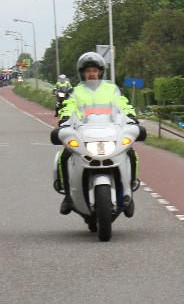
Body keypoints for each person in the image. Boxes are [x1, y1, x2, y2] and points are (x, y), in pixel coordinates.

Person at [54, 52, 139, 216]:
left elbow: (123, 105)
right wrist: (64, 120)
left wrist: (131, 117)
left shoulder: (112, 90)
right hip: (84, 133)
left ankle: (129, 193)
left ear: (100, 72)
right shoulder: (75, 92)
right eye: (88, 71)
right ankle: (68, 197)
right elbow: (68, 107)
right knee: (65, 156)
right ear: (82, 73)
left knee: (130, 153)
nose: (91, 74)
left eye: (94, 70)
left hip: (110, 132)